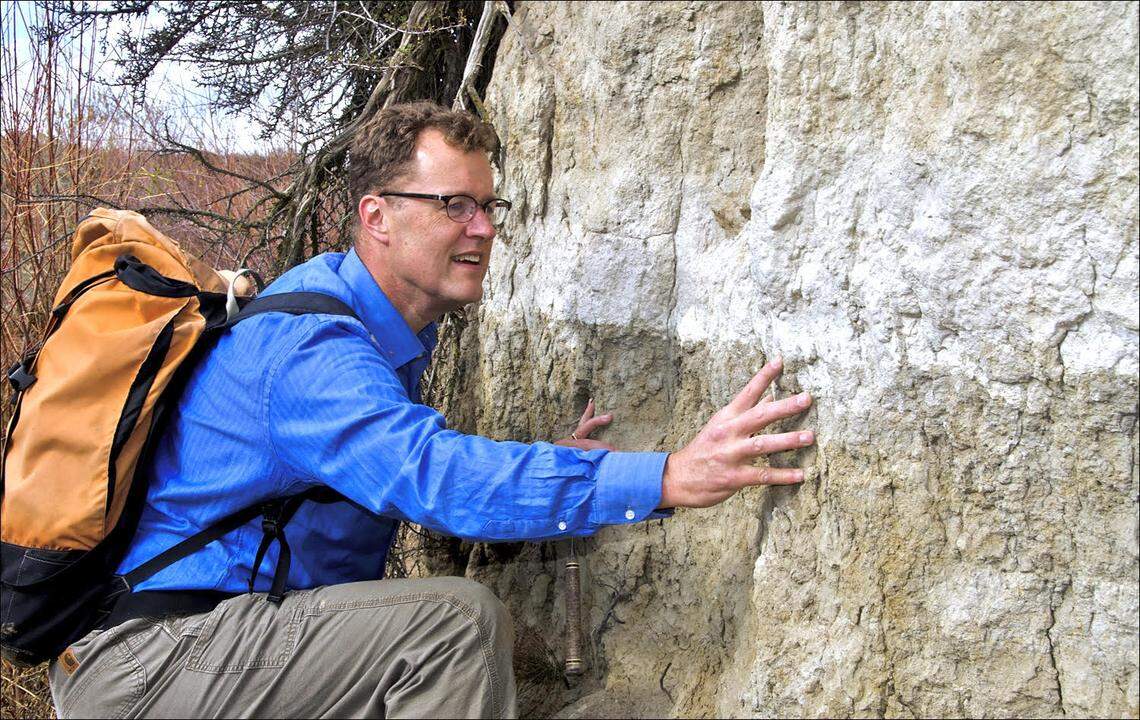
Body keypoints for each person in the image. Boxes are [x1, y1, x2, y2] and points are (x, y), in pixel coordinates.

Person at [47, 101, 815, 719]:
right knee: (452, 627)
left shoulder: (380, 332)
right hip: (158, 663)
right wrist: (668, 476)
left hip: (227, 649)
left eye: (487, 204)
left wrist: (548, 464)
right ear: (376, 215)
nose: (481, 228)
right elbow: (434, 478)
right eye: (453, 204)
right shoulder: (314, 348)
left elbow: (411, 473)